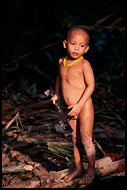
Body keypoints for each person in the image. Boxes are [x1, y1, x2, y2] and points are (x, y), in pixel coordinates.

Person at [51, 25, 96, 185]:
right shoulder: (61, 62)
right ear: (65, 44)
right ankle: (78, 167)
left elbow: (91, 86)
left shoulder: (84, 65)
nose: (77, 48)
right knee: (74, 139)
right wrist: (56, 93)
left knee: (85, 138)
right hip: (69, 108)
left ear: (87, 48)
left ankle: (91, 169)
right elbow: (59, 77)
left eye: (81, 45)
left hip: (83, 106)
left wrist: (78, 105)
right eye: (73, 43)